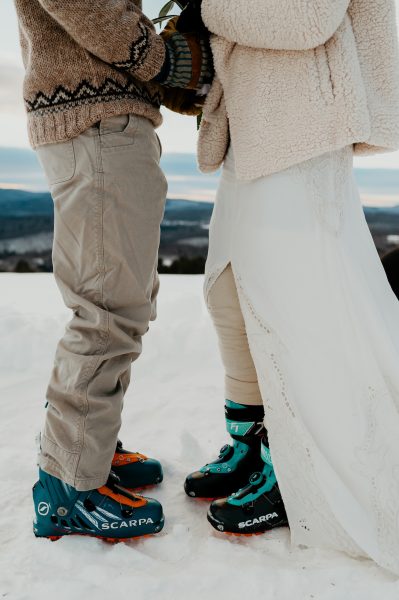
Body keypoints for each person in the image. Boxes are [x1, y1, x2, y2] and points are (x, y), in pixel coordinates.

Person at [184, 0, 399, 575]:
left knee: (300, 310)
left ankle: (293, 466)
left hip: (299, 123)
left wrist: (205, 8)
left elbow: (309, 16)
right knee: (231, 294)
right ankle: (250, 443)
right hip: (255, 127)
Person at [14, 0, 212, 542]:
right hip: (96, 122)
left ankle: (89, 448)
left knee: (121, 302)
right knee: (106, 313)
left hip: (99, 120)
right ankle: (70, 487)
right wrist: (157, 57)